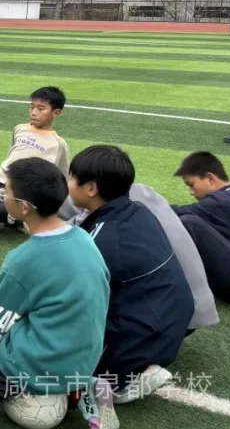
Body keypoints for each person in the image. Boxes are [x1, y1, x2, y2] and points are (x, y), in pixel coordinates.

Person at [0, 158, 116, 429]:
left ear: (24, 207)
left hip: (37, 365)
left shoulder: (24, 260)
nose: (2, 197)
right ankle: (85, 387)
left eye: (5, 192)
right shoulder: (83, 238)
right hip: (83, 361)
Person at [69, 145, 194, 403]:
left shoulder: (104, 240)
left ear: (91, 188)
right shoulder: (138, 210)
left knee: (67, 374)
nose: (67, 183)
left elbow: (77, 302)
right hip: (174, 317)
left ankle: (130, 376)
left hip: (144, 331)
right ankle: (141, 362)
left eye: (71, 178)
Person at [67, 183, 220, 331]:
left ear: (92, 187)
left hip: (163, 323)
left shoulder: (113, 212)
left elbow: (66, 234)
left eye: (72, 178)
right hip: (193, 310)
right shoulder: (144, 195)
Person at [0, 86, 71, 233]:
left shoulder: (58, 144)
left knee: (4, 211)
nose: (33, 112)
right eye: (32, 107)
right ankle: (9, 214)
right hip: (1, 182)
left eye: (41, 108)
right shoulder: (20, 129)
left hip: (26, 191)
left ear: (56, 112)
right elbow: (11, 154)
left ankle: (16, 217)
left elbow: (62, 178)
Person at [171, 151, 230, 305]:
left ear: (210, 178)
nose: (191, 192)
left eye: (191, 185)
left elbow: (169, 213)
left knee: (188, 222)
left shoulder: (218, 202)